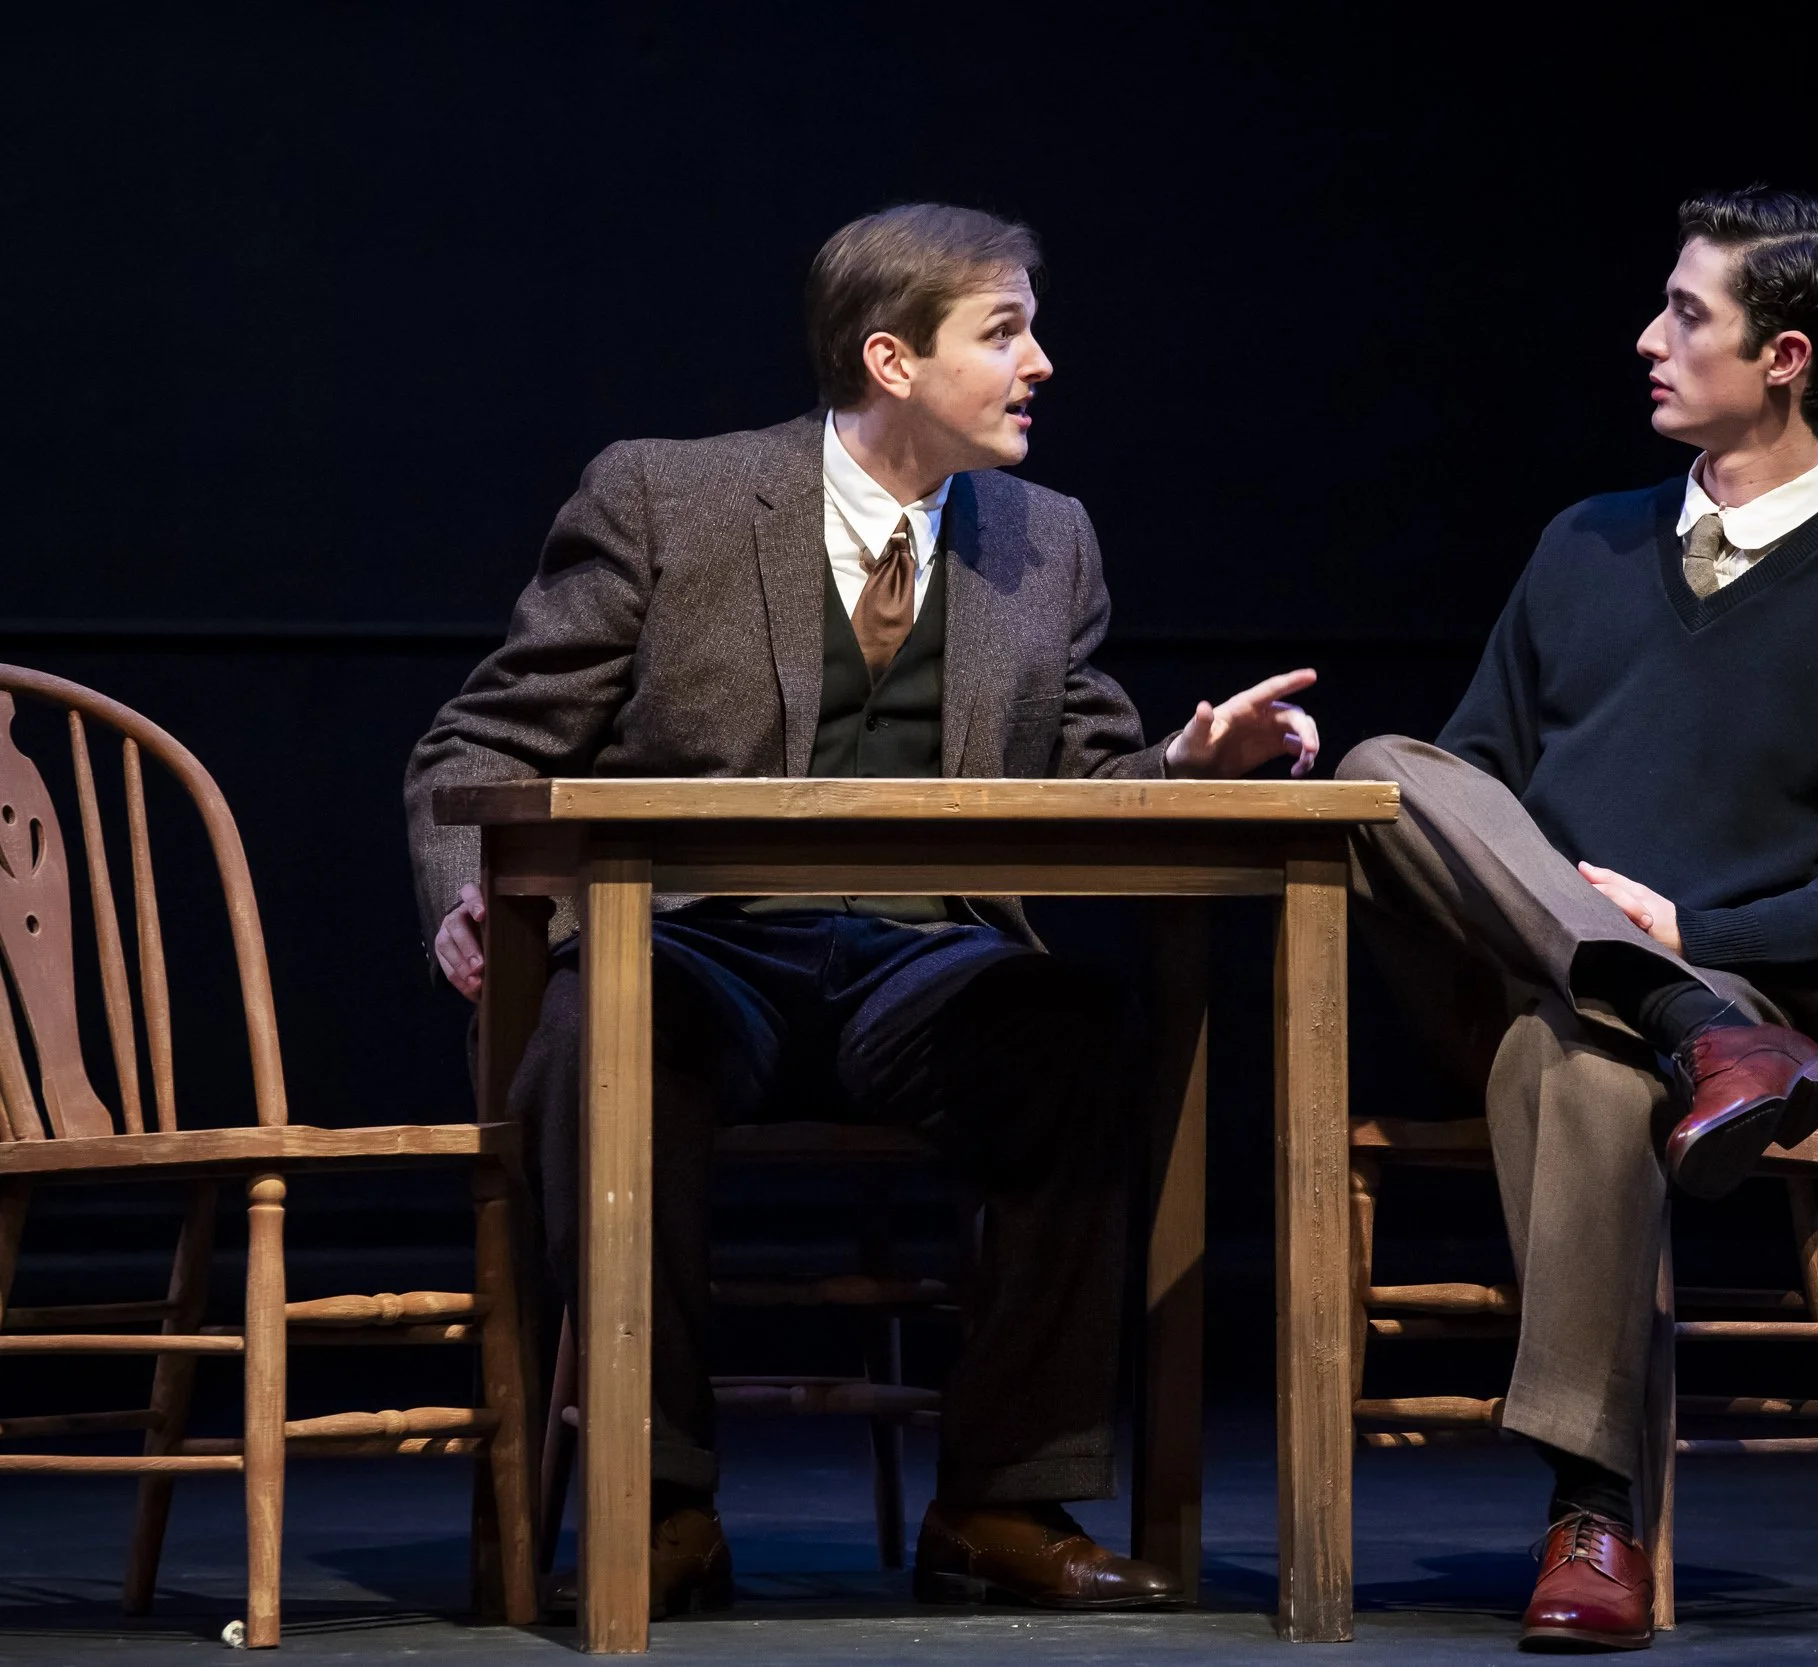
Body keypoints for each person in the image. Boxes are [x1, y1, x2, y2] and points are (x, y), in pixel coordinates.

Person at [403, 203, 1321, 1617]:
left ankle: (1001, 1504)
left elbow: (1086, 773)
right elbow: (480, 744)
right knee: (600, 1043)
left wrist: (1189, 766)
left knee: (1079, 1042)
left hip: (922, 960)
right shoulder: (668, 496)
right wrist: (473, 896)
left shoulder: (1048, 538)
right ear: (891, 359)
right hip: (696, 943)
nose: (1043, 363)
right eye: (1004, 332)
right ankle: (661, 1505)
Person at [1337, 187, 1818, 1650]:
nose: (1648, 338)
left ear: (1789, 357)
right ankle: (1678, 1016)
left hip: (1740, 988)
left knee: (1583, 1064)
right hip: (1537, 978)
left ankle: (1593, 1515)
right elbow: (1471, 781)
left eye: (1688, 314)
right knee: (1385, 770)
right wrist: (1640, 952)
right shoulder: (1582, 542)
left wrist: (1708, 926)